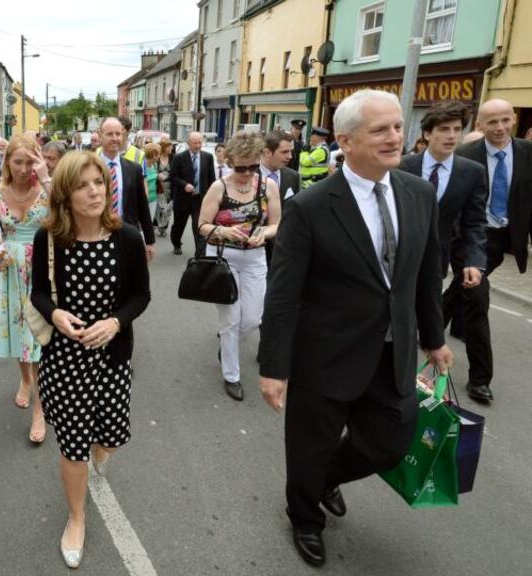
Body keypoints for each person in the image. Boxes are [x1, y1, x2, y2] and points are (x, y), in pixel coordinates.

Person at [258, 89, 452, 568]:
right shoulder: (311, 207)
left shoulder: (419, 194)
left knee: (391, 441)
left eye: (397, 127)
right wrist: (273, 367)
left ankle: (325, 479)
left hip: (393, 352)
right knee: (309, 446)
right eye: (380, 129)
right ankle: (305, 517)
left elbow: (426, 276)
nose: (394, 137)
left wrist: (434, 338)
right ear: (345, 141)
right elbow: (283, 295)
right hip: (323, 356)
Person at [31, 151, 150, 569]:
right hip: (64, 360)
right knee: (74, 446)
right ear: (65, 193)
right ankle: (77, 518)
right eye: (82, 185)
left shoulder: (127, 238)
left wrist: (116, 323)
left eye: (98, 181)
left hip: (113, 358)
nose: (94, 191)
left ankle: (100, 454)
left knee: (112, 439)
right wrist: (55, 314)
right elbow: (39, 293)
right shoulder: (49, 237)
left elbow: (141, 296)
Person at [0, 134, 52, 444]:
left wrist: (47, 177)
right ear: (6, 163)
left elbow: (69, 214)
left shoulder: (47, 191)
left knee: (39, 340)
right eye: (17, 162)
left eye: (29, 162)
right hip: (10, 272)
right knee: (21, 336)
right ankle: (24, 379)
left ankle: (39, 409)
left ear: (38, 161)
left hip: (42, 269)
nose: (23, 169)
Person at [455, 98, 532, 403]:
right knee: (477, 300)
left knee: (464, 288)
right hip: (467, 239)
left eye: (504, 120)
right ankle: (480, 379)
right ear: (480, 126)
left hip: (501, 239)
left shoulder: (527, 153)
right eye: (492, 122)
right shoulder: (465, 155)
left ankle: (429, 325)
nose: (499, 128)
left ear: (514, 119)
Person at [197, 132, 281, 401]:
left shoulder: (268, 186)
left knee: (253, 319)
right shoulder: (219, 187)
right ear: (230, 161)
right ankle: (231, 375)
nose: (246, 173)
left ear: (259, 160)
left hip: (255, 258)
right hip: (224, 259)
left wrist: (264, 234)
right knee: (231, 320)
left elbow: (277, 224)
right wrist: (222, 231)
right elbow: (202, 225)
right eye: (239, 167)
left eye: (252, 166)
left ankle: (227, 342)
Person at [400, 101, 488, 348]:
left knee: (422, 312)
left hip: (436, 258)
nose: (452, 136)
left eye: (457, 129)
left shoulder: (472, 172)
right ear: (428, 134)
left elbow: (475, 223)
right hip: (397, 254)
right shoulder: (403, 166)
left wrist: (474, 261)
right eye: (444, 129)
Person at [99, 118, 156, 261]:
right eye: (109, 134)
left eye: (118, 134)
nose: (115, 138)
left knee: (129, 279)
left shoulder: (133, 169)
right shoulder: (88, 167)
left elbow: (142, 206)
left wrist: (149, 241)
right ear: (100, 136)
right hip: (97, 234)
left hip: (127, 234)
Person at [170, 131, 217, 256]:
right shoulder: (179, 158)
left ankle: (200, 254)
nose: (197, 145)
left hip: (200, 199)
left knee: (199, 227)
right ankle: (176, 243)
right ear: (188, 144)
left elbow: (212, 179)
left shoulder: (208, 157)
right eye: (195, 143)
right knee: (179, 226)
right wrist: (184, 185)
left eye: (200, 142)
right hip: (183, 198)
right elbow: (173, 177)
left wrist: (213, 197)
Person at [260, 130, 301, 266]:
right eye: (284, 152)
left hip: (283, 249)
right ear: (267, 152)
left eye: (291, 151)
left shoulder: (293, 177)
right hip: (255, 247)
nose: (290, 157)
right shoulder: (248, 175)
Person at [155, 139, 174, 237]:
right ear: (164, 148)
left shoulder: (173, 157)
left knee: (168, 209)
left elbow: (175, 172)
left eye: (171, 146)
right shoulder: (157, 157)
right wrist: (157, 175)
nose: (171, 148)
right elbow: (153, 169)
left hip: (170, 187)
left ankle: (164, 227)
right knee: (160, 207)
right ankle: (159, 224)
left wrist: (168, 176)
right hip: (159, 187)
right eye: (169, 146)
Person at [144, 143, 161, 220]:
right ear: (154, 155)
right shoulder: (141, 165)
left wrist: (158, 177)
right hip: (144, 199)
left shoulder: (154, 165)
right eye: (158, 154)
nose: (159, 157)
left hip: (153, 198)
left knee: (150, 221)